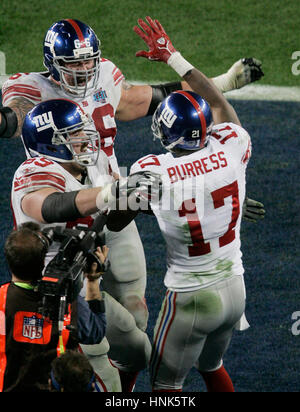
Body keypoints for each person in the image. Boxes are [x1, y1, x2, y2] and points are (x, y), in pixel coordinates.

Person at [0, 19, 264, 329]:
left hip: (115, 203)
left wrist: (221, 83)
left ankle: (122, 375)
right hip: (66, 216)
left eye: (89, 59)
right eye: (74, 62)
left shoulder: (105, 78)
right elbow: (13, 118)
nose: (85, 69)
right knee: (75, 321)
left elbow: (146, 99)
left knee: (136, 312)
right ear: (53, 63)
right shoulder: (32, 89)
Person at [108, 16, 255, 392]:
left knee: (165, 388)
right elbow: (218, 99)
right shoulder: (232, 145)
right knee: (212, 366)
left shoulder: (152, 169)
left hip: (192, 295)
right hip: (234, 286)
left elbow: (115, 222)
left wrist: (128, 197)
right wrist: (172, 56)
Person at [10, 98, 158, 392]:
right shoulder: (33, 170)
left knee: (137, 350)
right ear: (49, 144)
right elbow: (52, 206)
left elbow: (113, 220)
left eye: (82, 129)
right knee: (100, 368)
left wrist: (138, 200)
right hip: (51, 293)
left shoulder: (94, 163)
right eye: (73, 133)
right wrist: (112, 192)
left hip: (86, 276)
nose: (84, 138)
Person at [0, 222, 107, 392]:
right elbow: (96, 332)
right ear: (43, 262)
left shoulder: (1, 299)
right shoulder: (68, 303)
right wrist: (93, 281)